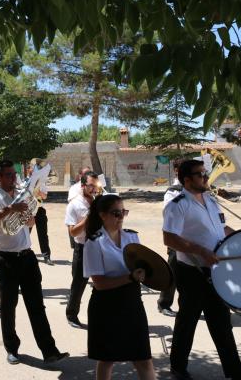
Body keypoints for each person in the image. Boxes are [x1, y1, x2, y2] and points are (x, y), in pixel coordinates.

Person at [163, 159, 241, 380]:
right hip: (192, 272)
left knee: (221, 321)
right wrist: (200, 251)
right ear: (187, 179)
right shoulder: (177, 204)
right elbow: (169, 238)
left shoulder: (210, 200)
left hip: (215, 269)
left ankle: (234, 370)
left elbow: (221, 228)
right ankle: (178, 368)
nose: (206, 177)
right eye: (201, 174)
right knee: (187, 321)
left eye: (205, 173)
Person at [0, 159, 69, 365]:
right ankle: (12, 349)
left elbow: (30, 222)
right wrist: (10, 209)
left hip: (27, 257)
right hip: (5, 259)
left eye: (14, 174)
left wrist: (28, 216)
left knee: (37, 305)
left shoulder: (22, 194)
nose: (13, 178)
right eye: (9, 175)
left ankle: (49, 350)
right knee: (8, 306)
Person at [84, 194, 155, 380]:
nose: (121, 217)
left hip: (131, 302)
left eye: (123, 212)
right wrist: (130, 278)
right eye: (116, 213)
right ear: (102, 215)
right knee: (107, 359)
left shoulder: (132, 237)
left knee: (143, 358)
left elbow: (142, 268)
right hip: (107, 305)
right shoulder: (93, 243)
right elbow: (99, 283)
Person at [64, 171, 99, 329]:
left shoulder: (99, 201)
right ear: (83, 185)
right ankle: (72, 314)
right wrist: (88, 218)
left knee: (102, 282)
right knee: (78, 285)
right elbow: (72, 232)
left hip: (100, 245)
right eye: (90, 185)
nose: (93, 189)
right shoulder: (74, 204)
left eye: (95, 185)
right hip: (83, 247)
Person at [157, 158, 185, 317]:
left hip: (190, 238)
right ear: (176, 171)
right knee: (173, 271)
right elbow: (168, 212)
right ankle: (164, 303)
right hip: (175, 237)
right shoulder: (173, 191)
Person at [26, 161, 53, 266]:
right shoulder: (25, 181)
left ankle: (47, 256)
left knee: (43, 234)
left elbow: (45, 196)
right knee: (26, 233)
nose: (33, 170)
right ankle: (23, 252)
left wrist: (37, 191)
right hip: (28, 210)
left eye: (35, 169)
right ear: (28, 170)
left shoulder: (42, 181)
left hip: (40, 209)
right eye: (32, 168)